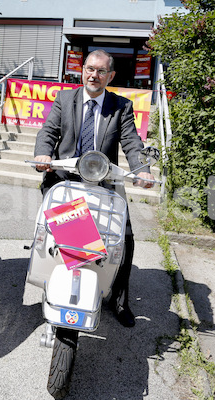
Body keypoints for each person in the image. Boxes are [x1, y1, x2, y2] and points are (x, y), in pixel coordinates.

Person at [34, 49, 154, 328]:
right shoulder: (66, 98)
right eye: (90, 69)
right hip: (65, 179)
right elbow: (49, 131)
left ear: (110, 76)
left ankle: (119, 300)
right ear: (82, 70)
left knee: (125, 238)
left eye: (101, 71)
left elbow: (132, 143)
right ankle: (59, 286)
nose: (94, 75)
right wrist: (43, 154)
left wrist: (142, 169)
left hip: (105, 182)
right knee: (72, 237)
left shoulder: (121, 106)